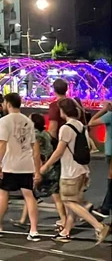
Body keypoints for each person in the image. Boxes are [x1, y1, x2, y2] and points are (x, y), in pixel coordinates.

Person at [40, 98, 110, 244]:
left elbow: (59, 151)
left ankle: (99, 226)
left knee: (68, 201)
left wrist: (46, 166)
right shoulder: (80, 125)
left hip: (70, 172)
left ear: (63, 111)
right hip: (81, 170)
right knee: (72, 203)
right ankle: (66, 232)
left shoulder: (66, 128)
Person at [0, 92, 42, 241]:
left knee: (3, 194)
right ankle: (34, 230)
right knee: (29, 195)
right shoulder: (28, 122)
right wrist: (37, 168)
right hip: (26, 164)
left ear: (8, 104)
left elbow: (1, 144)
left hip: (10, 164)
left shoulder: (3, 121)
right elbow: (35, 147)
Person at [87, 101, 112, 220]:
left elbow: (91, 123)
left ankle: (106, 208)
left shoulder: (109, 115)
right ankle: (106, 207)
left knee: (111, 179)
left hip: (111, 152)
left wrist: (103, 110)